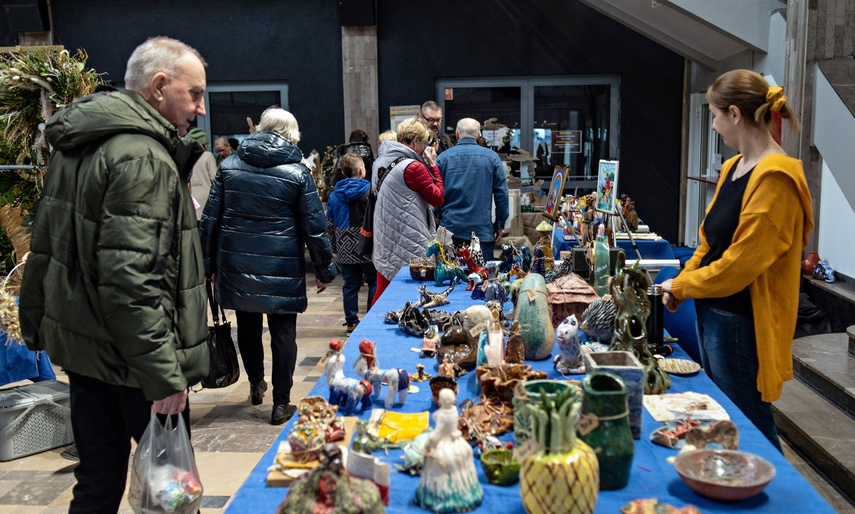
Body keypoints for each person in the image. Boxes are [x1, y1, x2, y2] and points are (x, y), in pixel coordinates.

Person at [18, 36, 209, 512]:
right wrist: (164, 376)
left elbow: (50, 245)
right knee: (172, 496)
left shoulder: (80, 144)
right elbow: (132, 281)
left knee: (96, 485)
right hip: (134, 365)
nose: (200, 109)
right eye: (195, 94)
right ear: (160, 86)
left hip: (87, 353)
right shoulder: (140, 155)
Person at [659, 69, 813, 452]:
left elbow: (740, 265)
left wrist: (681, 285)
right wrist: (685, 281)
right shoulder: (734, 167)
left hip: (743, 322)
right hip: (714, 314)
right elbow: (708, 243)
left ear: (734, 114)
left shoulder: (776, 177)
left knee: (751, 427)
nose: (712, 126)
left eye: (713, 115)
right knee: (727, 420)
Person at [200, 106, 337, 425]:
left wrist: (207, 264)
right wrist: (323, 268)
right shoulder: (298, 171)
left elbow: (210, 219)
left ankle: (256, 382)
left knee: (247, 327)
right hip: (282, 265)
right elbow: (314, 225)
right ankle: (281, 403)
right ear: (291, 134)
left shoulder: (229, 165)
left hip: (237, 264)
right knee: (283, 332)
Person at [371, 117, 444, 304]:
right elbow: (437, 198)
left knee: (383, 287)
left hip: (385, 232)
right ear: (416, 141)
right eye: (425, 142)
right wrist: (434, 166)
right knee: (414, 290)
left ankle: (372, 330)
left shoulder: (380, 162)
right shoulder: (413, 167)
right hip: (409, 233)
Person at [436, 118, 509, 259]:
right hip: (481, 233)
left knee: (450, 277)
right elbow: (502, 195)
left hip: (450, 231)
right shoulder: (492, 158)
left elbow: (436, 193)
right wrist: (499, 224)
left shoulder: (442, 159)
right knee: (483, 278)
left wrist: (440, 215)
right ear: (479, 136)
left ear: (457, 134)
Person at [326, 153, 377, 334]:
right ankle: (371, 318)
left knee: (350, 286)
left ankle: (351, 322)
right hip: (367, 244)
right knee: (373, 281)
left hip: (344, 245)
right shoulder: (370, 191)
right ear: (362, 170)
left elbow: (329, 224)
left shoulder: (334, 195)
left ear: (343, 172)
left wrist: (333, 248)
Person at [186, 127, 217, 220]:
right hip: (205, 197)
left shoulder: (185, 156)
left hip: (189, 196)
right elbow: (214, 177)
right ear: (204, 144)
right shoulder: (208, 156)